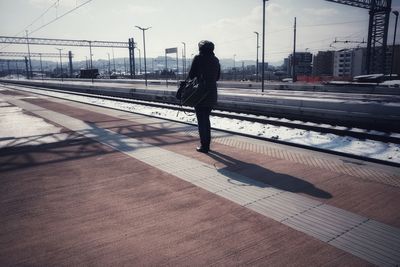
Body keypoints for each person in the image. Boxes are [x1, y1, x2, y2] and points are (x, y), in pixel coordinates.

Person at [188, 40, 221, 153]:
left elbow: (191, 75)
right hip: (212, 93)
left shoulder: (198, 58)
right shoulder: (216, 60)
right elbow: (217, 77)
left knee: (201, 120)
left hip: (200, 94)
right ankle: (207, 144)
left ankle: (204, 146)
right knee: (206, 119)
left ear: (200, 49)